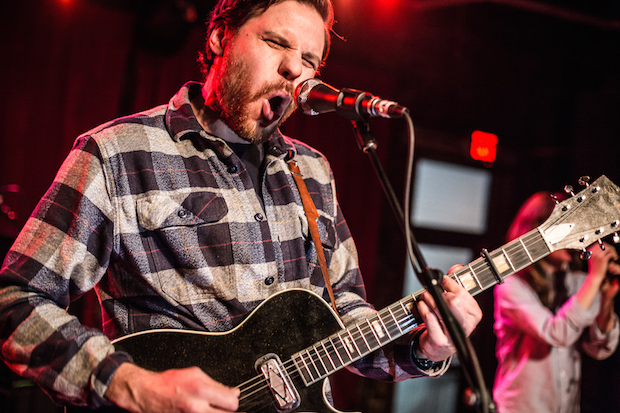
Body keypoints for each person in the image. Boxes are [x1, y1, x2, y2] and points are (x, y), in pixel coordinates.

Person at [0, 1, 483, 412]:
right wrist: (129, 383)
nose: (296, 69)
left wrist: (425, 346)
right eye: (277, 43)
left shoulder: (313, 172)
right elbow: (15, 303)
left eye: (310, 58)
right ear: (218, 38)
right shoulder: (118, 153)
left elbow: (347, 320)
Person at [493, 192, 620, 413]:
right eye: (567, 227)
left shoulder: (579, 282)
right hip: (520, 407)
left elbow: (600, 349)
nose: (576, 236)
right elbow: (557, 333)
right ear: (536, 232)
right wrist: (594, 278)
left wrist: (606, 299)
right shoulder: (511, 286)